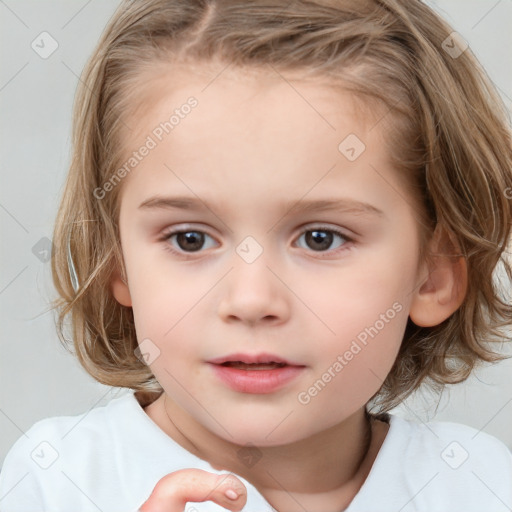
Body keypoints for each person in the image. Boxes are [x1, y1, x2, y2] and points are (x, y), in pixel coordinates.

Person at [1, 0, 512, 510]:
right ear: (117, 260)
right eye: (190, 239)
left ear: (434, 275)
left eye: (320, 238)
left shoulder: (477, 483)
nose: (250, 300)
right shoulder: (56, 480)